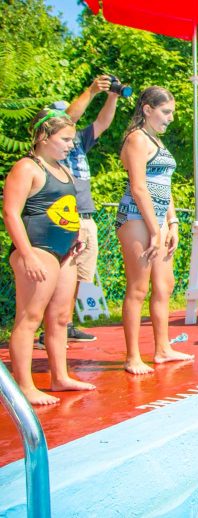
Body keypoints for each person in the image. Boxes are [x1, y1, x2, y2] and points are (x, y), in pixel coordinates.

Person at [3, 108, 96, 404]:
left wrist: (78, 233)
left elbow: (67, 207)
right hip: (38, 250)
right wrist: (27, 254)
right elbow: (11, 213)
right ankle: (24, 387)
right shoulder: (28, 167)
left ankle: (60, 376)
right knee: (29, 319)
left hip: (66, 251)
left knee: (59, 318)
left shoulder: (63, 169)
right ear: (44, 137)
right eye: (66, 139)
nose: (71, 145)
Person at [116, 86, 193, 374]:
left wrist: (170, 222)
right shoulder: (137, 139)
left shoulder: (156, 142)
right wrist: (153, 228)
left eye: (172, 111)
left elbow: (164, 185)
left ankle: (162, 349)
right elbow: (138, 188)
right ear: (147, 110)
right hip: (136, 218)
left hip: (158, 220)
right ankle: (132, 356)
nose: (171, 118)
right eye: (166, 111)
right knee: (138, 287)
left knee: (164, 285)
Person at [40, 76, 121, 346]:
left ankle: (66, 324)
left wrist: (113, 96)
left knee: (77, 276)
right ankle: (47, 330)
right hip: (64, 218)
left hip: (85, 216)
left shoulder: (78, 142)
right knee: (59, 275)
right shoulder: (52, 148)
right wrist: (91, 90)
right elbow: (69, 119)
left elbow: (102, 123)